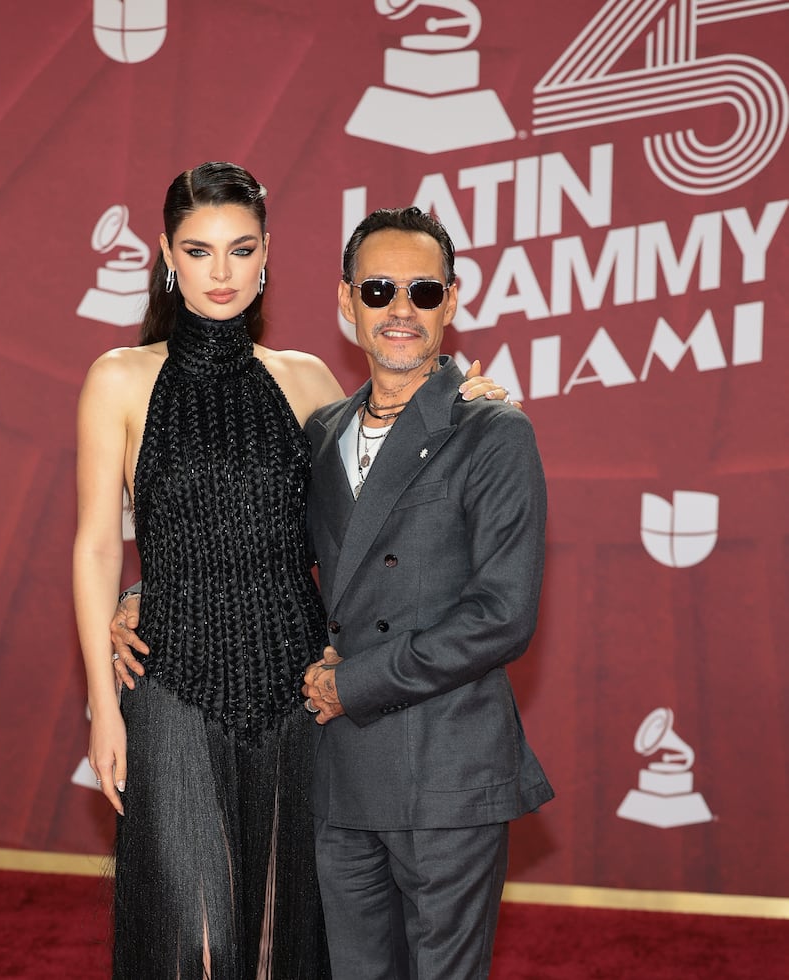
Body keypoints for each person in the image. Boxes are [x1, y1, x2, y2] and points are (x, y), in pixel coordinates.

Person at [77, 163, 511, 978]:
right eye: (199, 251)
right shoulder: (119, 378)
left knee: (285, 938)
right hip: (171, 688)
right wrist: (104, 703)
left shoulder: (309, 380)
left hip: (297, 690)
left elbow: (374, 508)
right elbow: (98, 544)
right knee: (192, 937)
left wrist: (462, 402)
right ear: (168, 255)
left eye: (240, 250)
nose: (220, 272)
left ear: (268, 254)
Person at [299, 206, 553, 979]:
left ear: (452, 299)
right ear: (347, 303)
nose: (400, 308)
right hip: (342, 779)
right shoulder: (319, 433)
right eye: (378, 290)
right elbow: (263, 564)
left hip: (447, 773)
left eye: (422, 289)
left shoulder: (493, 432)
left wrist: (355, 684)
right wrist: (146, 598)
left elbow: (502, 615)